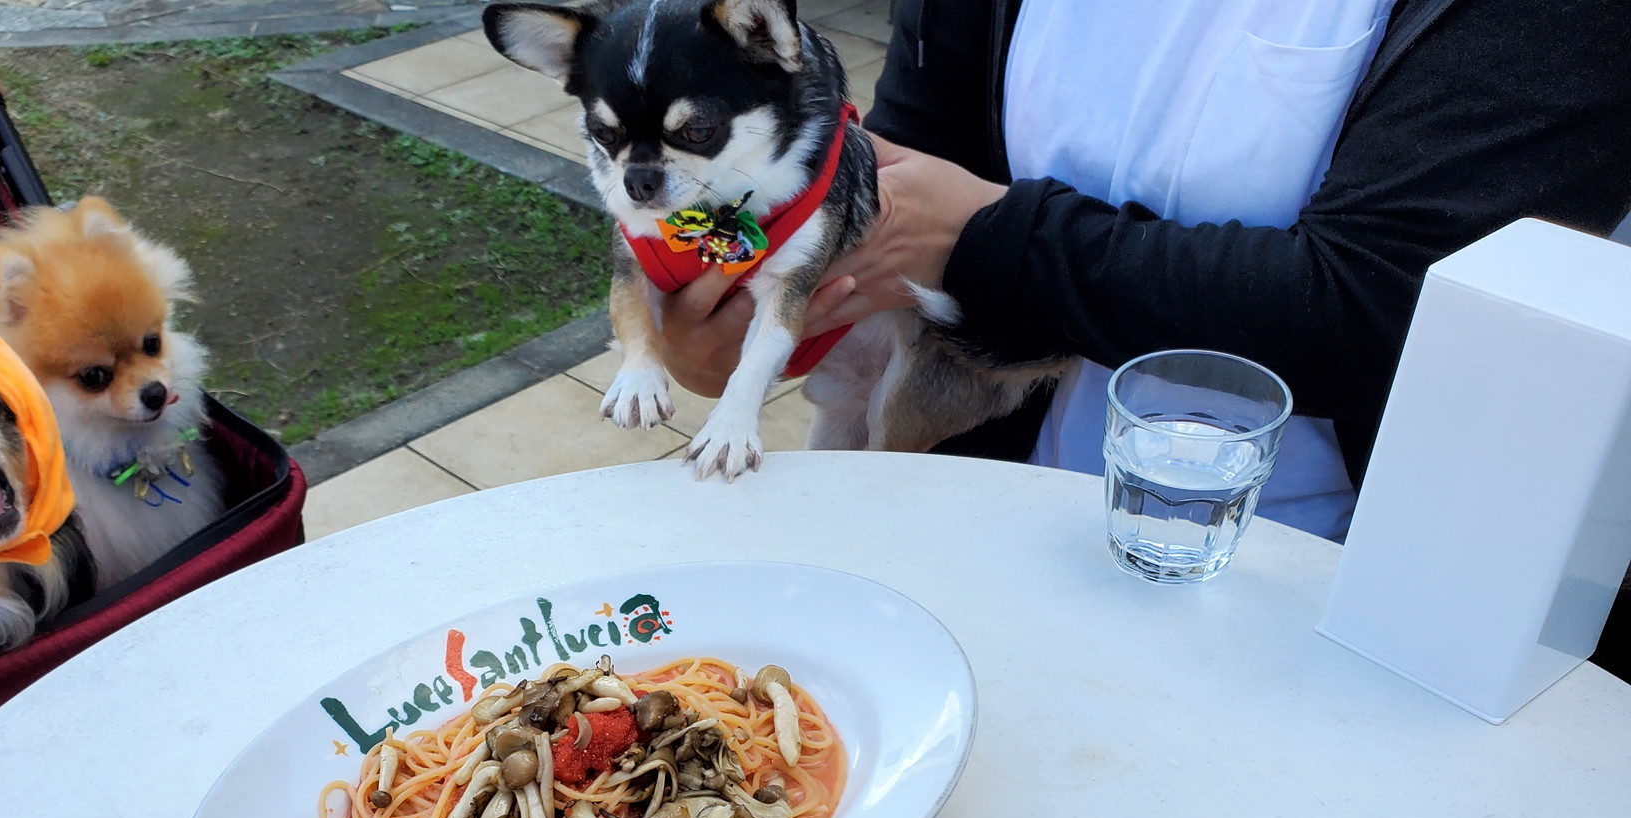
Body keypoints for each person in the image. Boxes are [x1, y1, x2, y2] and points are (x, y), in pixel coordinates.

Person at [657, 0, 1631, 540]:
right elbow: (910, 155)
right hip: (998, 509)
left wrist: (991, 237)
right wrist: (757, 319)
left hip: (1325, 576)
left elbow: (1385, 307)